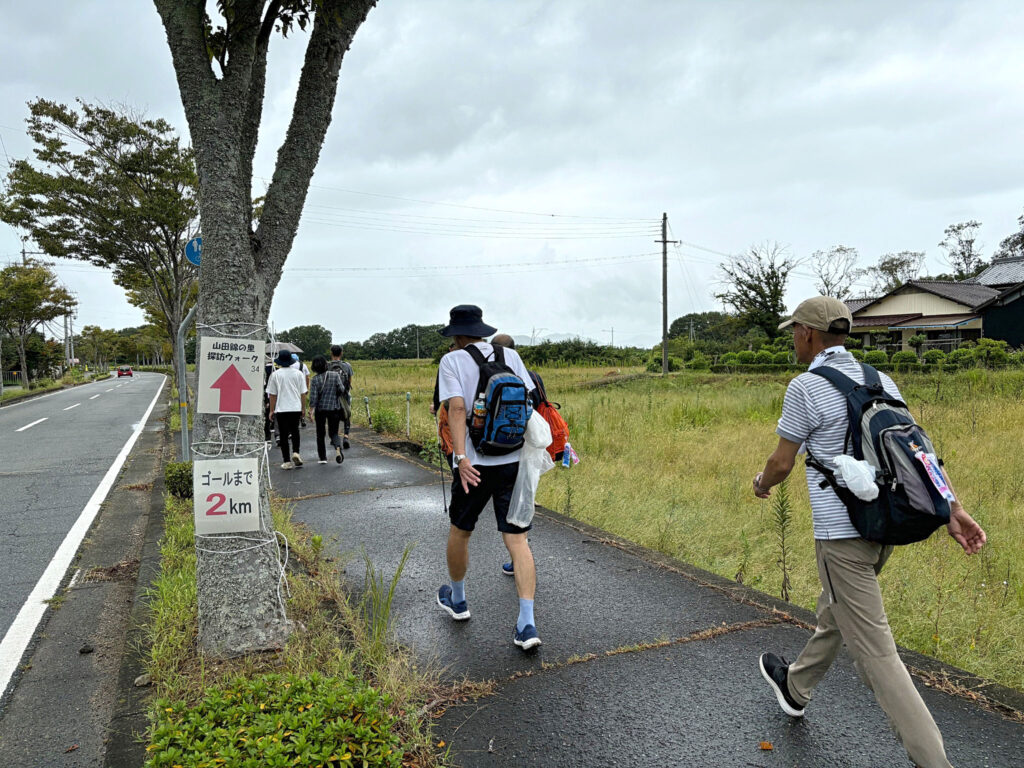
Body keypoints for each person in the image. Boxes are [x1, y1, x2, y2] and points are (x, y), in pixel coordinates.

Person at [753, 295, 986, 768]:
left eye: (795, 330)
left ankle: (935, 762)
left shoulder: (805, 386)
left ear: (810, 334)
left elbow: (781, 461)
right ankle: (796, 686)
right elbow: (921, 453)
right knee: (837, 610)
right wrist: (952, 508)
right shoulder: (882, 380)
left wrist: (761, 484)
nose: (793, 338)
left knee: (878, 655)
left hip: (841, 538)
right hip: (882, 531)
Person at [435, 305, 541, 651]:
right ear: (481, 330)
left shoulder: (451, 361)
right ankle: (527, 624)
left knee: (461, 530)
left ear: (457, 336)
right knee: (517, 541)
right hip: (512, 460)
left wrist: (462, 457)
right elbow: (529, 401)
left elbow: (457, 408)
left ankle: (459, 599)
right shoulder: (510, 354)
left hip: (475, 464)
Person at [266, 349, 308, 469]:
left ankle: (287, 461)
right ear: (291, 361)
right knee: (295, 431)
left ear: (279, 361)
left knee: (283, 435)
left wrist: (271, 410)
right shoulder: (298, 374)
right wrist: (303, 408)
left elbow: (272, 394)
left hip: (281, 408)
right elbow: (303, 393)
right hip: (295, 407)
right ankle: (296, 452)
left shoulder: (275, 375)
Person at [307, 354, 347, 465]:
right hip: (334, 408)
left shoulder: (315, 380)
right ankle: (338, 448)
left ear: (314, 367)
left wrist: (311, 411)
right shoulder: (334, 375)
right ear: (325, 365)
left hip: (321, 410)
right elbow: (342, 389)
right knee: (333, 432)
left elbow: (313, 398)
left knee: (320, 434)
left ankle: (322, 457)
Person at [329, 345, 354, 449]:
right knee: (347, 414)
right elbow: (349, 380)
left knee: (332, 417)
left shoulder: (327, 366)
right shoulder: (347, 365)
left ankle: (334, 438)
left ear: (331, 353)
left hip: (331, 396)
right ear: (341, 353)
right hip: (344, 395)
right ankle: (346, 436)